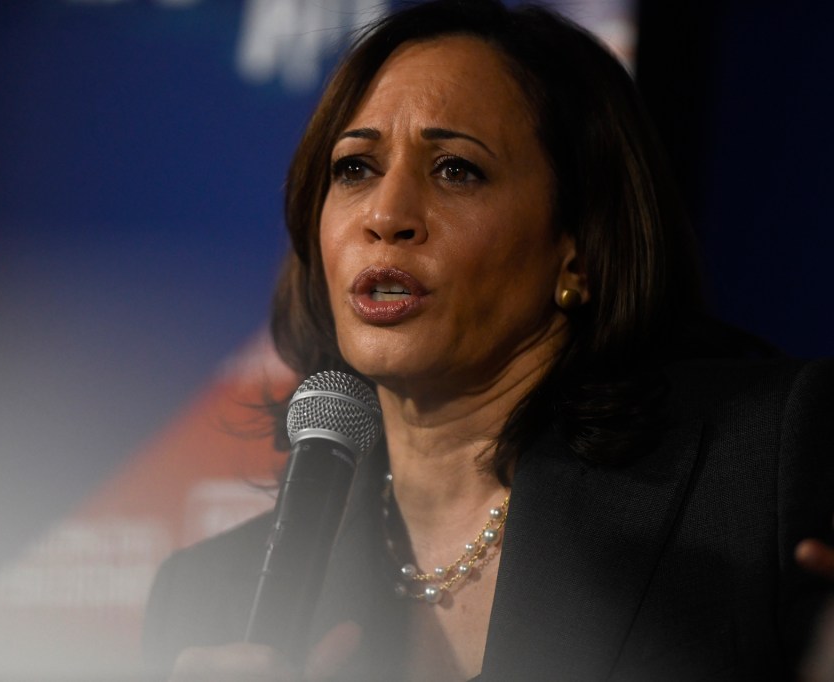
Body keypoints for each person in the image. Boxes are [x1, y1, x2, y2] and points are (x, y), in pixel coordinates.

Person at [143, 1, 834, 680]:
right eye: (355, 168)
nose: (386, 215)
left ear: (579, 249)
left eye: (455, 170)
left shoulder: (766, 468)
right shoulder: (210, 601)